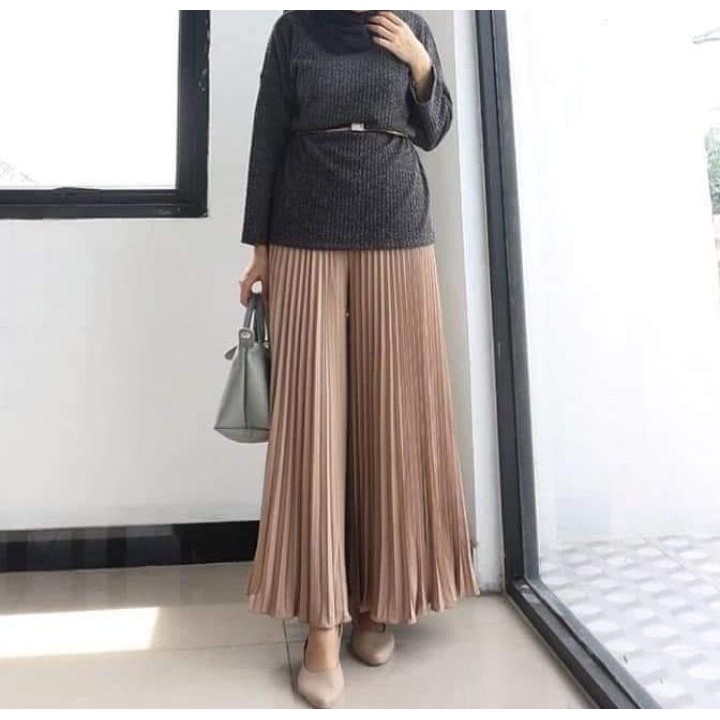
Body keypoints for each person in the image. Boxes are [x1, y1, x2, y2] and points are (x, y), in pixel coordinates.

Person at [237, 10, 481, 708]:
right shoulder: (294, 29)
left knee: (391, 414)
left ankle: (379, 601)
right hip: (304, 227)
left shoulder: (410, 26)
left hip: (396, 224)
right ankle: (323, 622)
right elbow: (266, 136)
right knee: (312, 422)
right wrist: (259, 251)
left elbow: (434, 130)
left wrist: (419, 63)